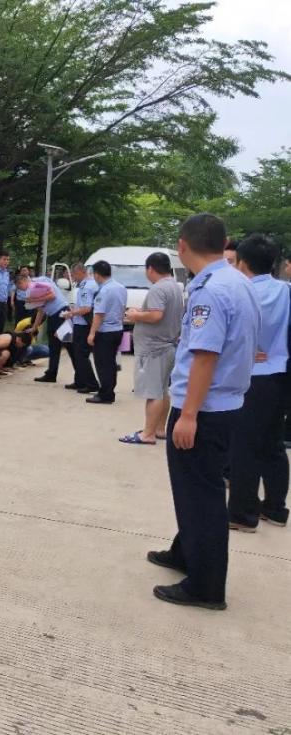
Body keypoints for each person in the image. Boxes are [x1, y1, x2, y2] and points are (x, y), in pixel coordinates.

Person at [147, 213, 259, 611]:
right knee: (193, 488)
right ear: (224, 241)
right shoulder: (238, 282)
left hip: (205, 408)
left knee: (202, 495)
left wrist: (189, 414)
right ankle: (185, 552)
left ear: (182, 245)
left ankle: (206, 586)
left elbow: (206, 356)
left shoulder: (211, 290)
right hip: (227, 404)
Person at [227, 234, 290, 532]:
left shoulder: (240, 291)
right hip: (280, 376)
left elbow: (232, 336)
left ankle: (243, 513)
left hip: (249, 378)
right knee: (273, 444)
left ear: (243, 262)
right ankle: (276, 509)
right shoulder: (286, 291)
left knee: (244, 448)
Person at [119, 253, 183, 444]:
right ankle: (159, 429)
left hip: (154, 348)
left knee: (153, 392)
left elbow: (156, 315)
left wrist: (136, 314)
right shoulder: (174, 286)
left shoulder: (158, 288)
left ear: (150, 269)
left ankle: (147, 434)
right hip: (167, 345)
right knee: (162, 390)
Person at [86, 260, 128, 404]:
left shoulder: (104, 290)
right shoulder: (121, 287)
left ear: (97, 275)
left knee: (103, 364)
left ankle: (105, 394)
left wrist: (92, 334)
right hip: (117, 329)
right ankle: (109, 391)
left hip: (105, 332)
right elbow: (123, 309)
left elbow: (99, 314)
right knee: (110, 363)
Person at [24, 273, 76, 384]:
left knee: (69, 346)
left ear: (24, 280)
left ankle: (81, 376)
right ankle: (51, 374)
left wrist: (34, 299)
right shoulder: (34, 287)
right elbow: (41, 310)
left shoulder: (38, 282)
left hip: (62, 313)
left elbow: (52, 296)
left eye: (22, 286)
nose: (24, 290)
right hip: (53, 315)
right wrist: (34, 327)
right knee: (53, 347)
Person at [64, 264, 100, 394]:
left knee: (81, 355)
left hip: (83, 325)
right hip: (83, 323)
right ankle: (80, 381)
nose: (73, 278)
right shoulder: (92, 284)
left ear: (80, 272)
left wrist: (71, 313)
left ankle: (91, 383)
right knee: (78, 353)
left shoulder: (86, 286)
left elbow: (86, 308)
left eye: (74, 275)